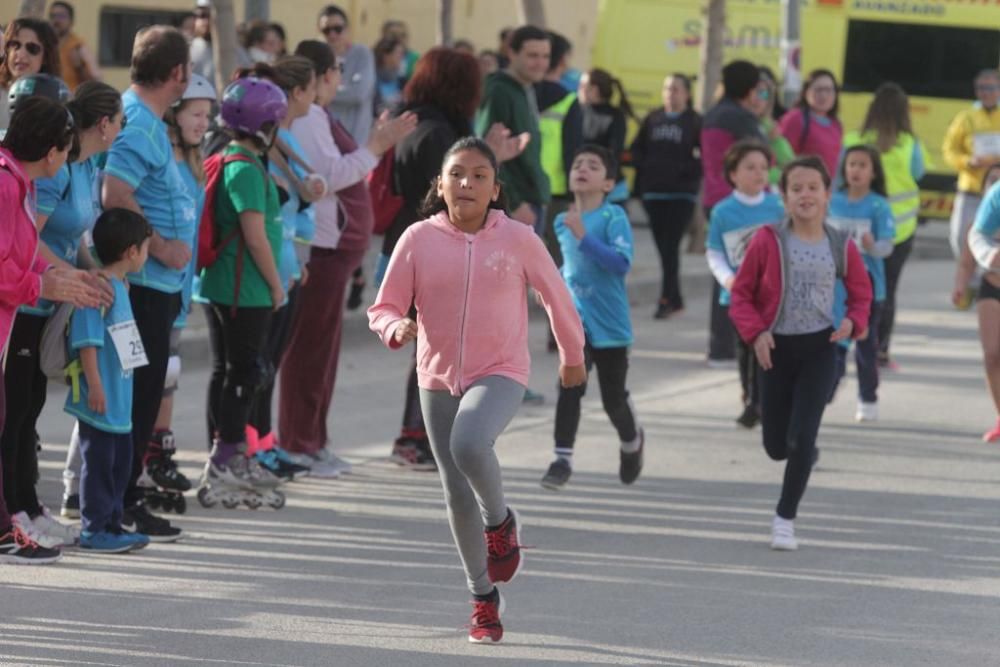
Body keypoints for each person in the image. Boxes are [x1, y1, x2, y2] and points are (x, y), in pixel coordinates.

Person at [368, 137, 586, 643]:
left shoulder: (518, 238)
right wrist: (395, 326)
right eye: (457, 174)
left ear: (495, 189)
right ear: (440, 185)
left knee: (469, 443)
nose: (467, 183)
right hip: (436, 376)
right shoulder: (417, 238)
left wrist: (573, 358)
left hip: (501, 370)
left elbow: (557, 298)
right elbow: (383, 305)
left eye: (479, 176)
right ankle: (483, 598)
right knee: (454, 492)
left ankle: (501, 521)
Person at [379, 47, 529, 468]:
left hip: (402, 247)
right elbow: (455, 205)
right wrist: (493, 163)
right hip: (429, 254)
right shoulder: (439, 135)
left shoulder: (413, 124)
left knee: (429, 346)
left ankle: (419, 437)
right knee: (434, 347)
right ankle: (415, 437)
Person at [276, 40, 415, 476]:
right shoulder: (311, 117)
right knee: (310, 353)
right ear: (321, 76)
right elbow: (328, 177)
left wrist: (371, 144)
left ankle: (313, 441)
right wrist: (375, 145)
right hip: (321, 248)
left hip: (334, 251)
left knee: (323, 352)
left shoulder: (318, 115)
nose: (341, 78)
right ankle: (299, 443)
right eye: (336, 70)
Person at [1, 79, 122, 543]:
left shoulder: (63, 173)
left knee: (25, 410)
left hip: (35, 302)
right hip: (23, 308)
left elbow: (48, 247)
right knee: (12, 417)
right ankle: (12, 515)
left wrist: (84, 275)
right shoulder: (22, 180)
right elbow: (21, 252)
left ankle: (24, 506)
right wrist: (53, 281)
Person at [730, 156, 871, 551]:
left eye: (813, 188)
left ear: (828, 195)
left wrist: (852, 323)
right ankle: (800, 452)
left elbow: (862, 294)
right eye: (797, 189)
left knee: (803, 435)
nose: (805, 195)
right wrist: (756, 333)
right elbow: (740, 295)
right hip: (775, 350)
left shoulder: (841, 243)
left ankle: (784, 519)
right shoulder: (767, 240)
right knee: (777, 446)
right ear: (785, 197)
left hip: (820, 349)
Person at [101, 25, 194, 541]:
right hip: (144, 286)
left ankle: (123, 495)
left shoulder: (146, 118)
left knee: (142, 394)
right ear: (177, 73)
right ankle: (121, 499)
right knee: (136, 399)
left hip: (159, 287)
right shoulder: (137, 121)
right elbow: (115, 193)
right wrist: (159, 246)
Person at [196, 77, 288, 510]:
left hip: (225, 286)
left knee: (229, 371)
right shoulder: (245, 168)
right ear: (263, 124)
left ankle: (226, 453)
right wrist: (276, 285)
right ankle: (228, 456)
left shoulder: (234, 158)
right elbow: (255, 238)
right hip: (243, 290)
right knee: (244, 372)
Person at [136, 73, 217, 515]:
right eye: (196, 114)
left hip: (180, 285)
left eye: (207, 115)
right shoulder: (162, 155)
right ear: (172, 112)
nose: (204, 122)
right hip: (152, 277)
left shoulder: (194, 159)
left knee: (169, 370)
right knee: (151, 374)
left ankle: (157, 452)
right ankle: (144, 456)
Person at [540, 145, 642, 490]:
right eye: (577, 163)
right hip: (576, 323)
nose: (582, 168)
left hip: (612, 327)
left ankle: (632, 442)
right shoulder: (560, 221)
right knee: (570, 387)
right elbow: (568, 267)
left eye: (593, 165)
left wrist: (583, 236)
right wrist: (546, 284)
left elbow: (620, 264)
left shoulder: (614, 218)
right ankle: (561, 459)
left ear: (608, 182)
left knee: (614, 400)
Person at [241, 56, 324, 481]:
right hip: (263, 272)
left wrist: (301, 260)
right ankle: (248, 450)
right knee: (253, 368)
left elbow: (304, 212)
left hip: (288, 269)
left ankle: (267, 445)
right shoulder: (256, 151)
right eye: (312, 88)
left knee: (269, 365)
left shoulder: (290, 143)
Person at [68, 209, 154, 553]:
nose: (147, 255)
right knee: (100, 466)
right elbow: (88, 341)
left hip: (120, 401)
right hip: (101, 398)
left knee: (119, 466)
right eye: (146, 248)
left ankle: (113, 525)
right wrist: (96, 385)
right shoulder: (98, 290)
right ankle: (93, 528)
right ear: (131, 252)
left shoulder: (120, 286)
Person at [843, 82, 930, 370]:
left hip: (855, 225)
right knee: (886, 289)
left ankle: (840, 339)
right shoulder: (910, 144)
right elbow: (919, 174)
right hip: (899, 230)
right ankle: (879, 349)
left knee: (845, 284)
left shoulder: (853, 138)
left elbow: (837, 177)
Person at [705, 141, 785, 428]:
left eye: (764, 168)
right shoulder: (723, 212)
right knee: (745, 348)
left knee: (769, 348)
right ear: (733, 174)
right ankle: (751, 397)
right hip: (739, 296)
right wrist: (728, 278)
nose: (758, 173)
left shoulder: (778, 207)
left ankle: (761, 402)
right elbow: (714, 251)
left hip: (774, 295)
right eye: (750, 168)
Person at [701, 60, 766, 366]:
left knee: (724, 273)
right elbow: (761, 155)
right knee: (744, 274)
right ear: (750, 88)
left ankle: (719, 344)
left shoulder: (713, 114)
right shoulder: (741, 119)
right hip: (738, 203)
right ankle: (733, 343)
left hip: (713, 198)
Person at [826, 145, 895, 422]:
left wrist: (872, 245)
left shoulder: (878, 205)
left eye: (862, 165)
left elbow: (887, 247)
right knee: (834, 344)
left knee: (865, 347)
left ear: (873, 172)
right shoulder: (832, 201)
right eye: (851, 164)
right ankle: (827, 388)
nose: (855, 170)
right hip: (833, 290)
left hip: (868, 290)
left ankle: (868, 398)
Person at [631, 73, 702, 319]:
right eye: (667, 88)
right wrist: (646, 171)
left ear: (687, 94)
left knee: (671, 247)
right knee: (664, 249)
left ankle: (666, 300)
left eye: (675, 89)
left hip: (681, 194)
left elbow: (704, 156)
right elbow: (636, 149)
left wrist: (688, 173)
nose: (670, 93)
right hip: (654, 192)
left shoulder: (694, 121)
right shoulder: (653, 118)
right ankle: (676, 298)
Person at [475, 25, 551, 235]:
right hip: (514, 205)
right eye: (533, 55)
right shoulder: (499, 90)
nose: (541, 63)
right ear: (511, 53)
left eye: (545, 56)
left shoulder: (524, 87)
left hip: (531, 198)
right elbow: (487, 152)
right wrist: (514, 202)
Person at [942, 69, 1000, 308]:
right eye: (982, 88)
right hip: (972, 188)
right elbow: (949, 150)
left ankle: (987, 284)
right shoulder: (965, 117)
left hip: (996, 189)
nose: (987, 92)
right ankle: (971, 282)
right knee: (960, 239)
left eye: (992, 87)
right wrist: (967, 162)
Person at [536, 30, 583, 266]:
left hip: (521, 187)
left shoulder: (521, 93)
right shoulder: (569, 100)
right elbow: (572, 150)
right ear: (563, 59)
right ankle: (551, 304)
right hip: (557, 189)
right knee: (557, 257)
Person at [967, 164, 1000, 442]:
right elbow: (977, 234)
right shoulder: (998, 193)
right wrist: (988, 254)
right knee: (992, 354)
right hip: (994, 281)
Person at [318, 5, 376, 144]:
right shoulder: (317, 58)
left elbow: (359, 93)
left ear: (347, 29)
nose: (332, 35)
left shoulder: (362, 53)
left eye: (337, 29)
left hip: (357, 142)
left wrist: (323, 93)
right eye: (326, 30)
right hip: (325, 141)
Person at [777, 69, 843, 178]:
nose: (823, 95)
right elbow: (781, 157)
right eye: (818, 90)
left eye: (829, 90)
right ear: (805, 92)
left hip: (825, 190)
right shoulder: (795, 119)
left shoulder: (836, 124)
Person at [0, 18, 61, 129]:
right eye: (15, 45)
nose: (21, 54)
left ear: (46, 57)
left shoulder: (58, 100)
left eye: (32, 48)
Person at [577, 68, 636, 180]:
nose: (579, 89)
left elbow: (614, 153)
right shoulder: (578, 111)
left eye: (583, 85)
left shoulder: (615, 116)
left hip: (605, 181)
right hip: (581, 179)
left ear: (595, 89)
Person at [48, 1, 101, 91]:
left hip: (71, 101)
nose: (56, 20)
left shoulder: (78, 46)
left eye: (61, 16)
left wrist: (79, 67)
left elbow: (97, 81)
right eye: (53, 16)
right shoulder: (46, 44)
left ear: (71, 21)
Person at [373, 37, 406, 115]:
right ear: (386, 56)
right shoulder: (372, 80)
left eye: (402, 54)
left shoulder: (402, 81)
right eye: (398, 53)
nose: (402, 57)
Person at [190, 4, 214, 83]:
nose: (206, 21)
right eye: (202, 16)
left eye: (211, 16)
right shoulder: (186, 49)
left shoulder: (234, 51)